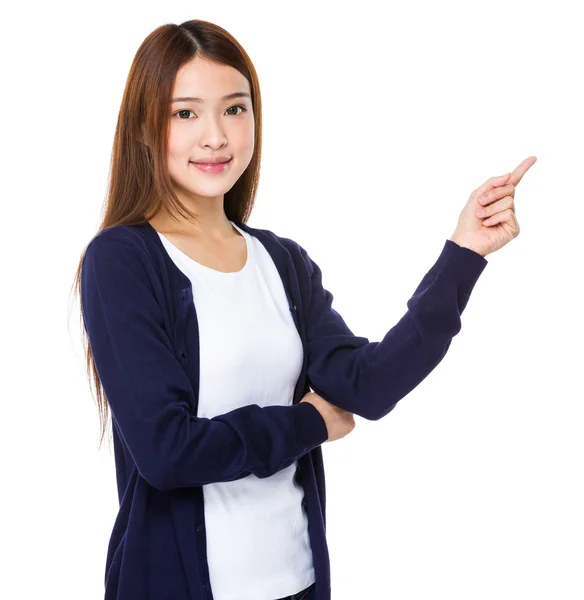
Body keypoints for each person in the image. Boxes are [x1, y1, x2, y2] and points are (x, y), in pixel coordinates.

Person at [72, 19, 536, 600]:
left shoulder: (281, 262)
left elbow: (368, 386)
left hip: (299, 583)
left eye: (235, 109)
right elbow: (166, 452)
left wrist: (464, 255)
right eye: (184, 113)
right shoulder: (123, 260)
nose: (215, 136)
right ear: (145, 127)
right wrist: (309, 423)